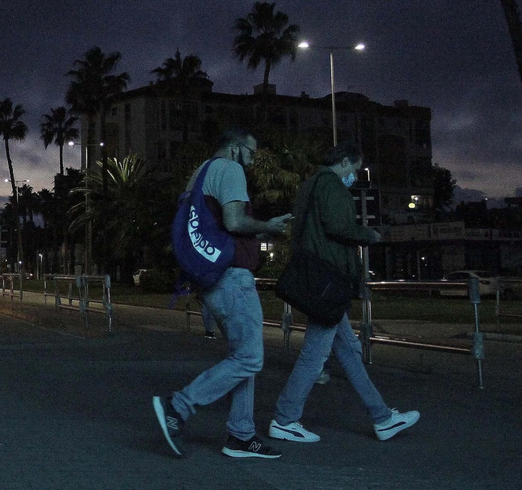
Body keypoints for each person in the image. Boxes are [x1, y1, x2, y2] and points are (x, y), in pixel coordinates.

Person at [153, 129, 292, 460]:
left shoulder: (201, 172)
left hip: (212, 277)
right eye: (251, 153)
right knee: (250, 358)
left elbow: (213, 222)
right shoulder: (229, 168)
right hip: (232, 278)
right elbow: (233, 221)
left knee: (242, 357)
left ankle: (241, 435)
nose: (252, 161)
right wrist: (268, 226)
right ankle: (178, 406)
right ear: (235, 148)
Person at [267, 142, 419, 444]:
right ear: (345, 162)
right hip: (330, 279)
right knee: (315, 354)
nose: (355, 176)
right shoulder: (331, 185)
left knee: (348, 350)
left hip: (318, 278)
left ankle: (382, 417)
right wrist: (368, 235)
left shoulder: (310, 185)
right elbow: (338, 226)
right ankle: (284, 418)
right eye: (356, 169)